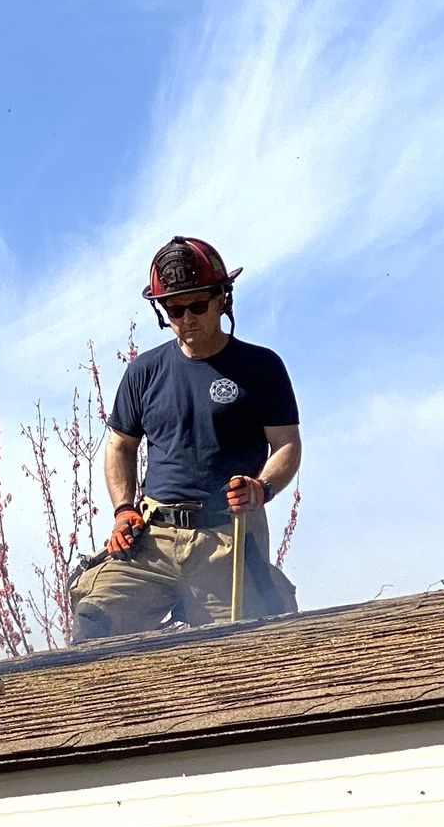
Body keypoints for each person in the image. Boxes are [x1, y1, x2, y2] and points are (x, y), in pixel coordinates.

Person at [69, 235, 301, 639]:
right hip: (153, 536)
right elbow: (120, 445)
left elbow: (286, 445)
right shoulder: (144, 371)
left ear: (223, 299)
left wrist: (261, 487)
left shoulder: (261, 367)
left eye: (197, 305)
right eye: (174, 309)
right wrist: (124, 509)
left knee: (250, 647)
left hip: (226, 537)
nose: (186, 318)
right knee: (94, 618)